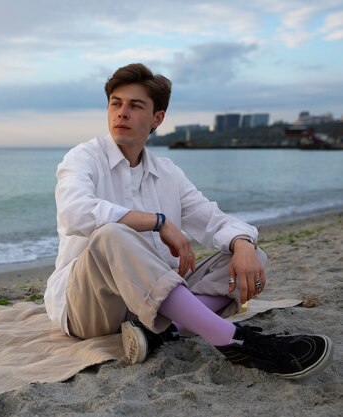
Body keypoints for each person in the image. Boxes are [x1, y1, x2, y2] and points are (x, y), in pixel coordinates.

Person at [44, 63, 333, 379]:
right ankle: (233, 340)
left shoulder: (167, 173)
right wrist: (159, 222)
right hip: (90, 306)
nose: (121, 113)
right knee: (111, 233)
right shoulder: (83, 157)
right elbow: (75, 211)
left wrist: (242, 243)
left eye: (135, 105)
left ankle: (162, 332)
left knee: (250, 256)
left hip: (151, 304)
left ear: (158, 118)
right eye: (116, 103)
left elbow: (213, 220)